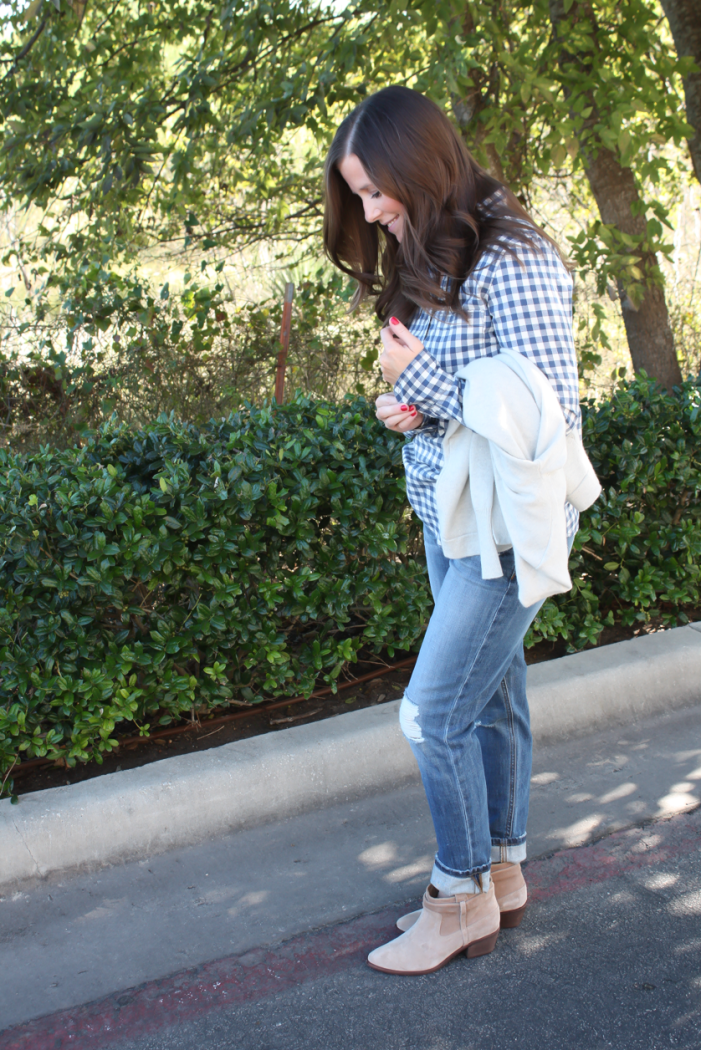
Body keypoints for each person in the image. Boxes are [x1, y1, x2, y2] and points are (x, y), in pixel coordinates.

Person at [323, 85, 599, 976]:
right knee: (495, 698)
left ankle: (457, 899)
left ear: (420, 164)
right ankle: (504, 872)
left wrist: (429, 388)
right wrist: (408, 402)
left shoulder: (510, 256)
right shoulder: (436, 243)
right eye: (358, 195)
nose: (370, 211)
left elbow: (543, 414)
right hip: (456, 515)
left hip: (504, 530)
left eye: (376, 190)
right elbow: (465, 382)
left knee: (429, 716)